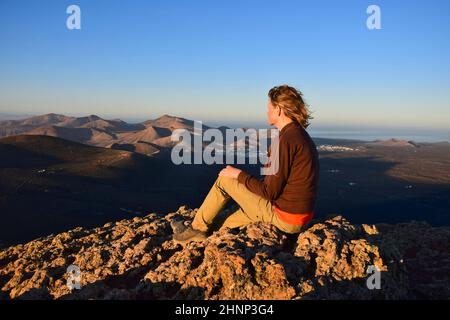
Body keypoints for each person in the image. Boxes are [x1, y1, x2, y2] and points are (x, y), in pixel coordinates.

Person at [173, 84, 320, 245]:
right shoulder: (301, 136)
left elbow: (269, 192)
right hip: (299, 218)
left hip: (283, 217)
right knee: (225, 221)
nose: (267, 112)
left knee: (225, 180)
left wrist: (238, 174)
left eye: (269, 107)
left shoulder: (284, 140)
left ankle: (195, 228)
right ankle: (197, 231)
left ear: (278, 109)